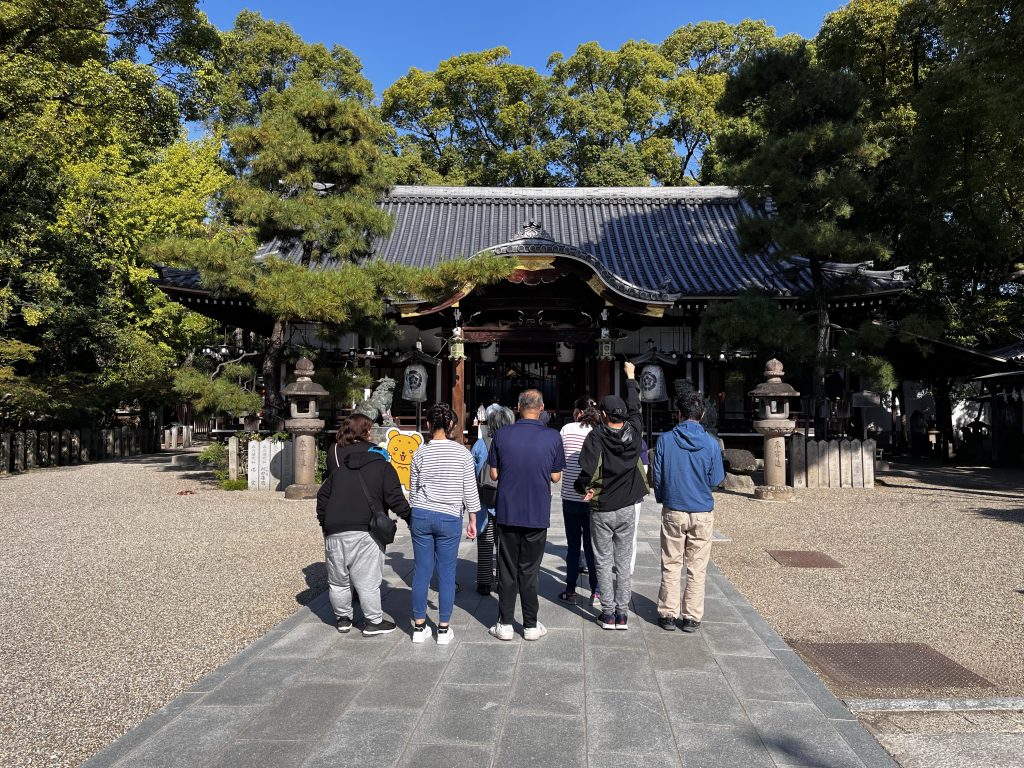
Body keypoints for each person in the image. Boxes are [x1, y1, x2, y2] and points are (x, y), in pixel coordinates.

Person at [316, 414, 411, 636]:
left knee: (338, 581)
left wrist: (325, 522)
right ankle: (373, 622)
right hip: (364, 530)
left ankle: (343, 619)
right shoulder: (382, 466)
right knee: (367, 579)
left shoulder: (339, 469)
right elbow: (395, 498)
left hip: (334, 530)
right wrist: (411, 518)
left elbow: (323, 497)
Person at [486, 388, 565, 641]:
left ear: (518, 407)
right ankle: (530, 624)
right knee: (530, 571)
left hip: (508, 509)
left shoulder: (502, 435)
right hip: (537, 511)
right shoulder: (553, 437)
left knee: (507, 568)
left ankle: (505, 623)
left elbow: (494, 474)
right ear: (542, 408)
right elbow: (555, 477)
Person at [575, 361, 647, 630]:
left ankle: (607, 613)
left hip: (603, 506)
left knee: (603, 561)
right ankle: (623, 612)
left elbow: (586, 471)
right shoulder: (635, 431)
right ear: (622, 415)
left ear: (603, 414)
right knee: (623, 560)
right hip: (627, 505)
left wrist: (584, 490)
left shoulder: (596, 437)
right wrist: (630, 376)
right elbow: (635, 406)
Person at [652, 390, 725, 633]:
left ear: (678, 413)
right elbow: (716, 478)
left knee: (671, 562)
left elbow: (658, 477)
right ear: (702, 414)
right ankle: (692, 615)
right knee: (697, 565)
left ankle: (668, 613)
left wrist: (663, 497)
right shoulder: (712, 444)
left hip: (674, 506)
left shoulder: (665, 440)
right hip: (701, 508)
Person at [408, 403, 479, 645]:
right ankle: (443, 627)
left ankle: (419, 627)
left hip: (422, 513)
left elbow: (413, 489)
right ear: (451, 425)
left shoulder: (420, 453)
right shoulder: (462, 454)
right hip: (449, 515)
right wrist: (473, 518)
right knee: (447, 573)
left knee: (421, 571)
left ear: (428, 424)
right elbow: (469, 488)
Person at [558, 396, 602, 605]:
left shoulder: (566, 430)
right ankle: (597, 591)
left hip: (569, 494)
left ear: (577, 412)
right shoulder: (599, 432)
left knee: (573, 546)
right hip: (592, 495)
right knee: (593, 547)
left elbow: (558, 458)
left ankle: (570, 589)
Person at [471, 405, 515, 595]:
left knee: (485, 542)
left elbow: (472, 473)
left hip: (484, 500)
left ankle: (484, 582)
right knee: (504, 544)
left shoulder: (480, 444)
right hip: (506, 501)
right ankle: (502, 580)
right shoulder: (513, 444)